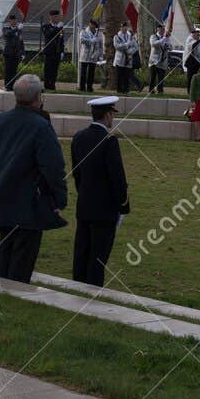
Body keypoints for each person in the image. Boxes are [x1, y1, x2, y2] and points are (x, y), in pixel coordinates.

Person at [0, 73, 67, 283]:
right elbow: (53, 166)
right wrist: (60, 197)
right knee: (23, 257)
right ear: (38, 96)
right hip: (28, 201)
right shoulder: (40, 126)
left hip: (1, 195)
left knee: (7, 250)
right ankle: (14, 293)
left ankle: (3, 287)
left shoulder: (1, 119)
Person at [70, 96, 129, 287]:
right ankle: (93, 293)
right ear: (108, 115)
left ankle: (77, 288)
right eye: (112, 114)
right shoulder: (109, 141)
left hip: (85, 204)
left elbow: (76, 173)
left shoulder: (79, 137)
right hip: (105, 209)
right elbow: (117, 178)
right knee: (98, 258)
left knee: (82, 253)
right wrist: (123, 205)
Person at [40, 10, 64, 91]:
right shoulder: (46, 26)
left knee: (55, 70)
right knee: (48, 69)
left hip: (57, 52)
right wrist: (57, 28)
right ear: (51, 17)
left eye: (57, 16)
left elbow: (61, 40)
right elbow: (48, 35)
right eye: (55, 16)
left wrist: (62, 51)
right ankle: (47, 85)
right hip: (49, 52)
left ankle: (52, 85)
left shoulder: (60, 27)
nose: (57, 18)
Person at [0, 13, 25, 90]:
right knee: (8, 70)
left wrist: (23, 52)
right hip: (8, 53)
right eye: (12, 20)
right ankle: (7, 86)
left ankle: (13, 86)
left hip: (16, 53)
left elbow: (21, 42)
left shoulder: (19, 31)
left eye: (15, 20)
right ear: (9, 21)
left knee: (14, 71)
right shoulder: (6, 29)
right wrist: (17, 29)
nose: (14, 22)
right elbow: (8, 34)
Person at [79, 19, 104, 92]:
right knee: (83, 73)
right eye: (91, 24)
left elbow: (100, 46)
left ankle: (89, 87)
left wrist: (101, 56)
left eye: (94, 25)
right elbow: (82, 40)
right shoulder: (84, 32)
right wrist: (91, 41)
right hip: (85, 55)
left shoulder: (99, 34)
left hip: (94, 56)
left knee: (91, 73)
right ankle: (82, 87)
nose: (92, 26)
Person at [148, 25, 172, 94]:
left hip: (163, 60)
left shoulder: (166, 38)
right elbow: (154, 44)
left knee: (161, 77)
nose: (162, 30)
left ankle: (160, 90)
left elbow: (171, 48)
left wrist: (168, 46)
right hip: (154, 61)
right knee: (153, 76)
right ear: (157, 29)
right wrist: (164, 38)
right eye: (161, 29)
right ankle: (151, 90)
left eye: (163, 29)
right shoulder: (153, 36)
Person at [111, 24, 134, 94]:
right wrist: (126, 45)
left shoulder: (130, 37)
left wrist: (131, 51)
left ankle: (126, 89)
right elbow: (117, 46)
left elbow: (135, 46)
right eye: (123, 27)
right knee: (119, 76)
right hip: (120, 59)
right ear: (120, 28)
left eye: (126, 27)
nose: (125, 28)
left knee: (126, 76)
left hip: (128, 59)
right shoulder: (116, 36)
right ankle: (119, 89)